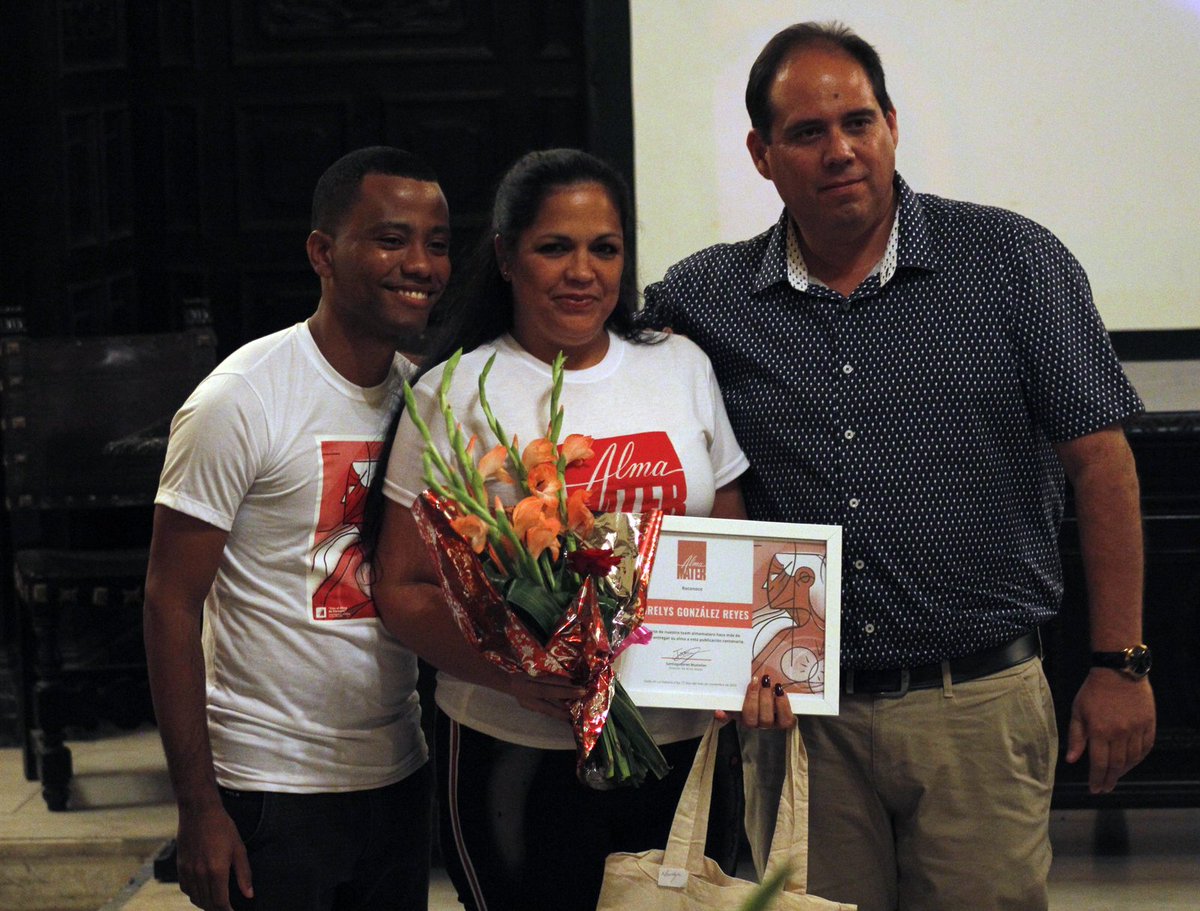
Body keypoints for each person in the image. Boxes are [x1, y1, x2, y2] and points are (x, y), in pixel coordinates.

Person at [640, 21, 1156, 911]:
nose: (840, 149)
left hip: (978, 705)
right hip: (801, 722)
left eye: (859, 121)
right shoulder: (702, 298)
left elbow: (1102, 464)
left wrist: (1122, 662)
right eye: (807, 133)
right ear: (762, 155)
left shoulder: (1013, 264)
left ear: (892, 125)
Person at [365, 148, 782, 911]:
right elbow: (402, 585)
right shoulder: (452, 390)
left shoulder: (680, 365)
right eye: (555, 246)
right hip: (509, 752)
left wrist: (749, 662)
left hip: (680, 747)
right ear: (505, 256)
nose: (582, 270)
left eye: (605, 248)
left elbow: (730, 537)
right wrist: (516, 674)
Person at [143, 146, 451, 911]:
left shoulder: (424, 399)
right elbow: (168, 604)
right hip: (270, 785)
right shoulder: (241, 400)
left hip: (395, 769)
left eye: (437, 243)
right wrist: (198, 807)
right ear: (322, 251)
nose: (420, 263)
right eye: (390, 238)